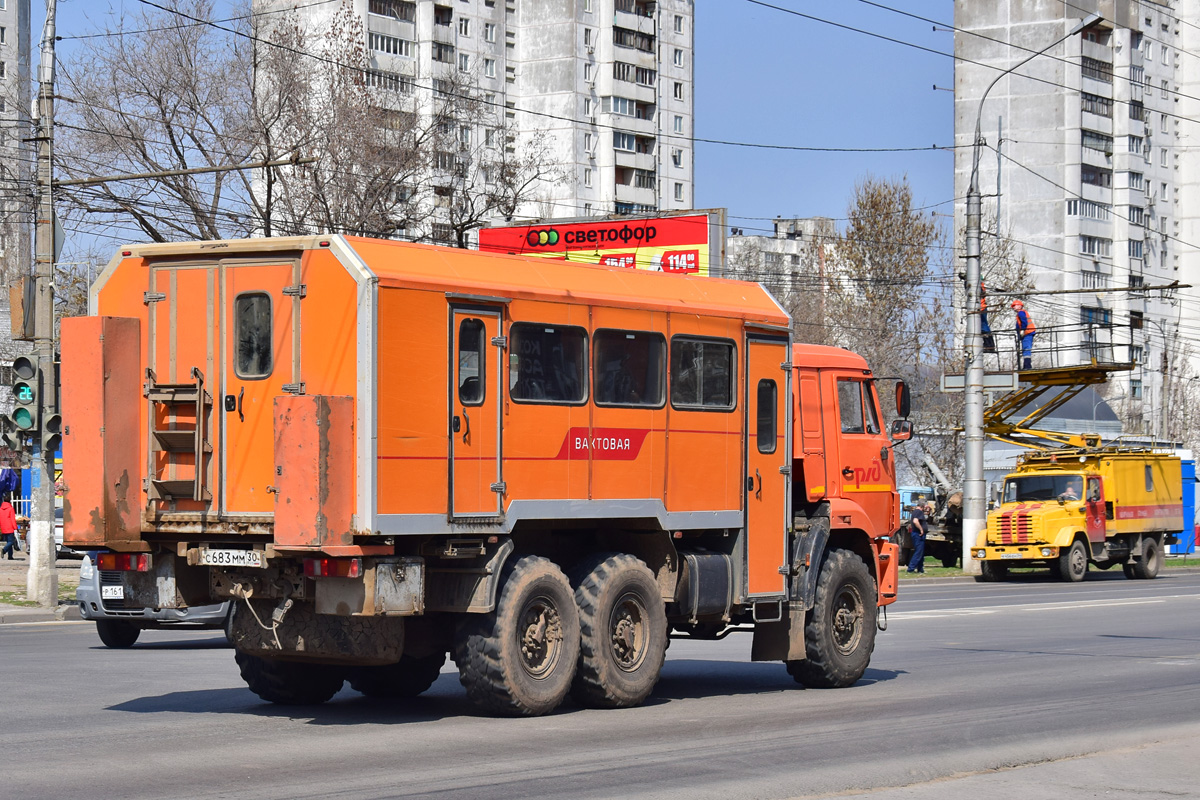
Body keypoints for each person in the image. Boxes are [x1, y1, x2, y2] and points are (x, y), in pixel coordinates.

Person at [1012, 300, 1036, 371]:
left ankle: (1027, 366)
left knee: (1026, 349)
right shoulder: (1020, 313)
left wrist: (1022, 330)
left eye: (1014, 305)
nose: (1013, 307)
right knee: (1025, 349)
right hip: (1026, 333)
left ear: (1020, 306)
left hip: (1027, 333)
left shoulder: (1021, 313)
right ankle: (1026, 366)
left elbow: (1024, 322)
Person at [907, 501, 927, 574]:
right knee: (918, 552)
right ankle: (911, 568)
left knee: (920, 552)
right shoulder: (919, 512)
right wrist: (921, 529)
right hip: (918, 534)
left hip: (916, 534)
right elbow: (915, 521)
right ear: (923, 506)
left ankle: (920, 569)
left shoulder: (915, 512)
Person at [980, 281, 996, 354]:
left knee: (983, 327)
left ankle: (989, 345)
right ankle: (988, 345)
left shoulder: (977, 284)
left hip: (981, 308)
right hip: (981, 308)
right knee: (982, 327)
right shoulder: (979, 284)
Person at [0, 494, 17, 560]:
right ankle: (4, 550)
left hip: (3, 527)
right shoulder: (10, 509)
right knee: (11, 542)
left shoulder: (1, 509)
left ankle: (10, 556)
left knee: (8, 541)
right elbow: (13, 519)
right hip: (10, 527)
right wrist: (15, 528)